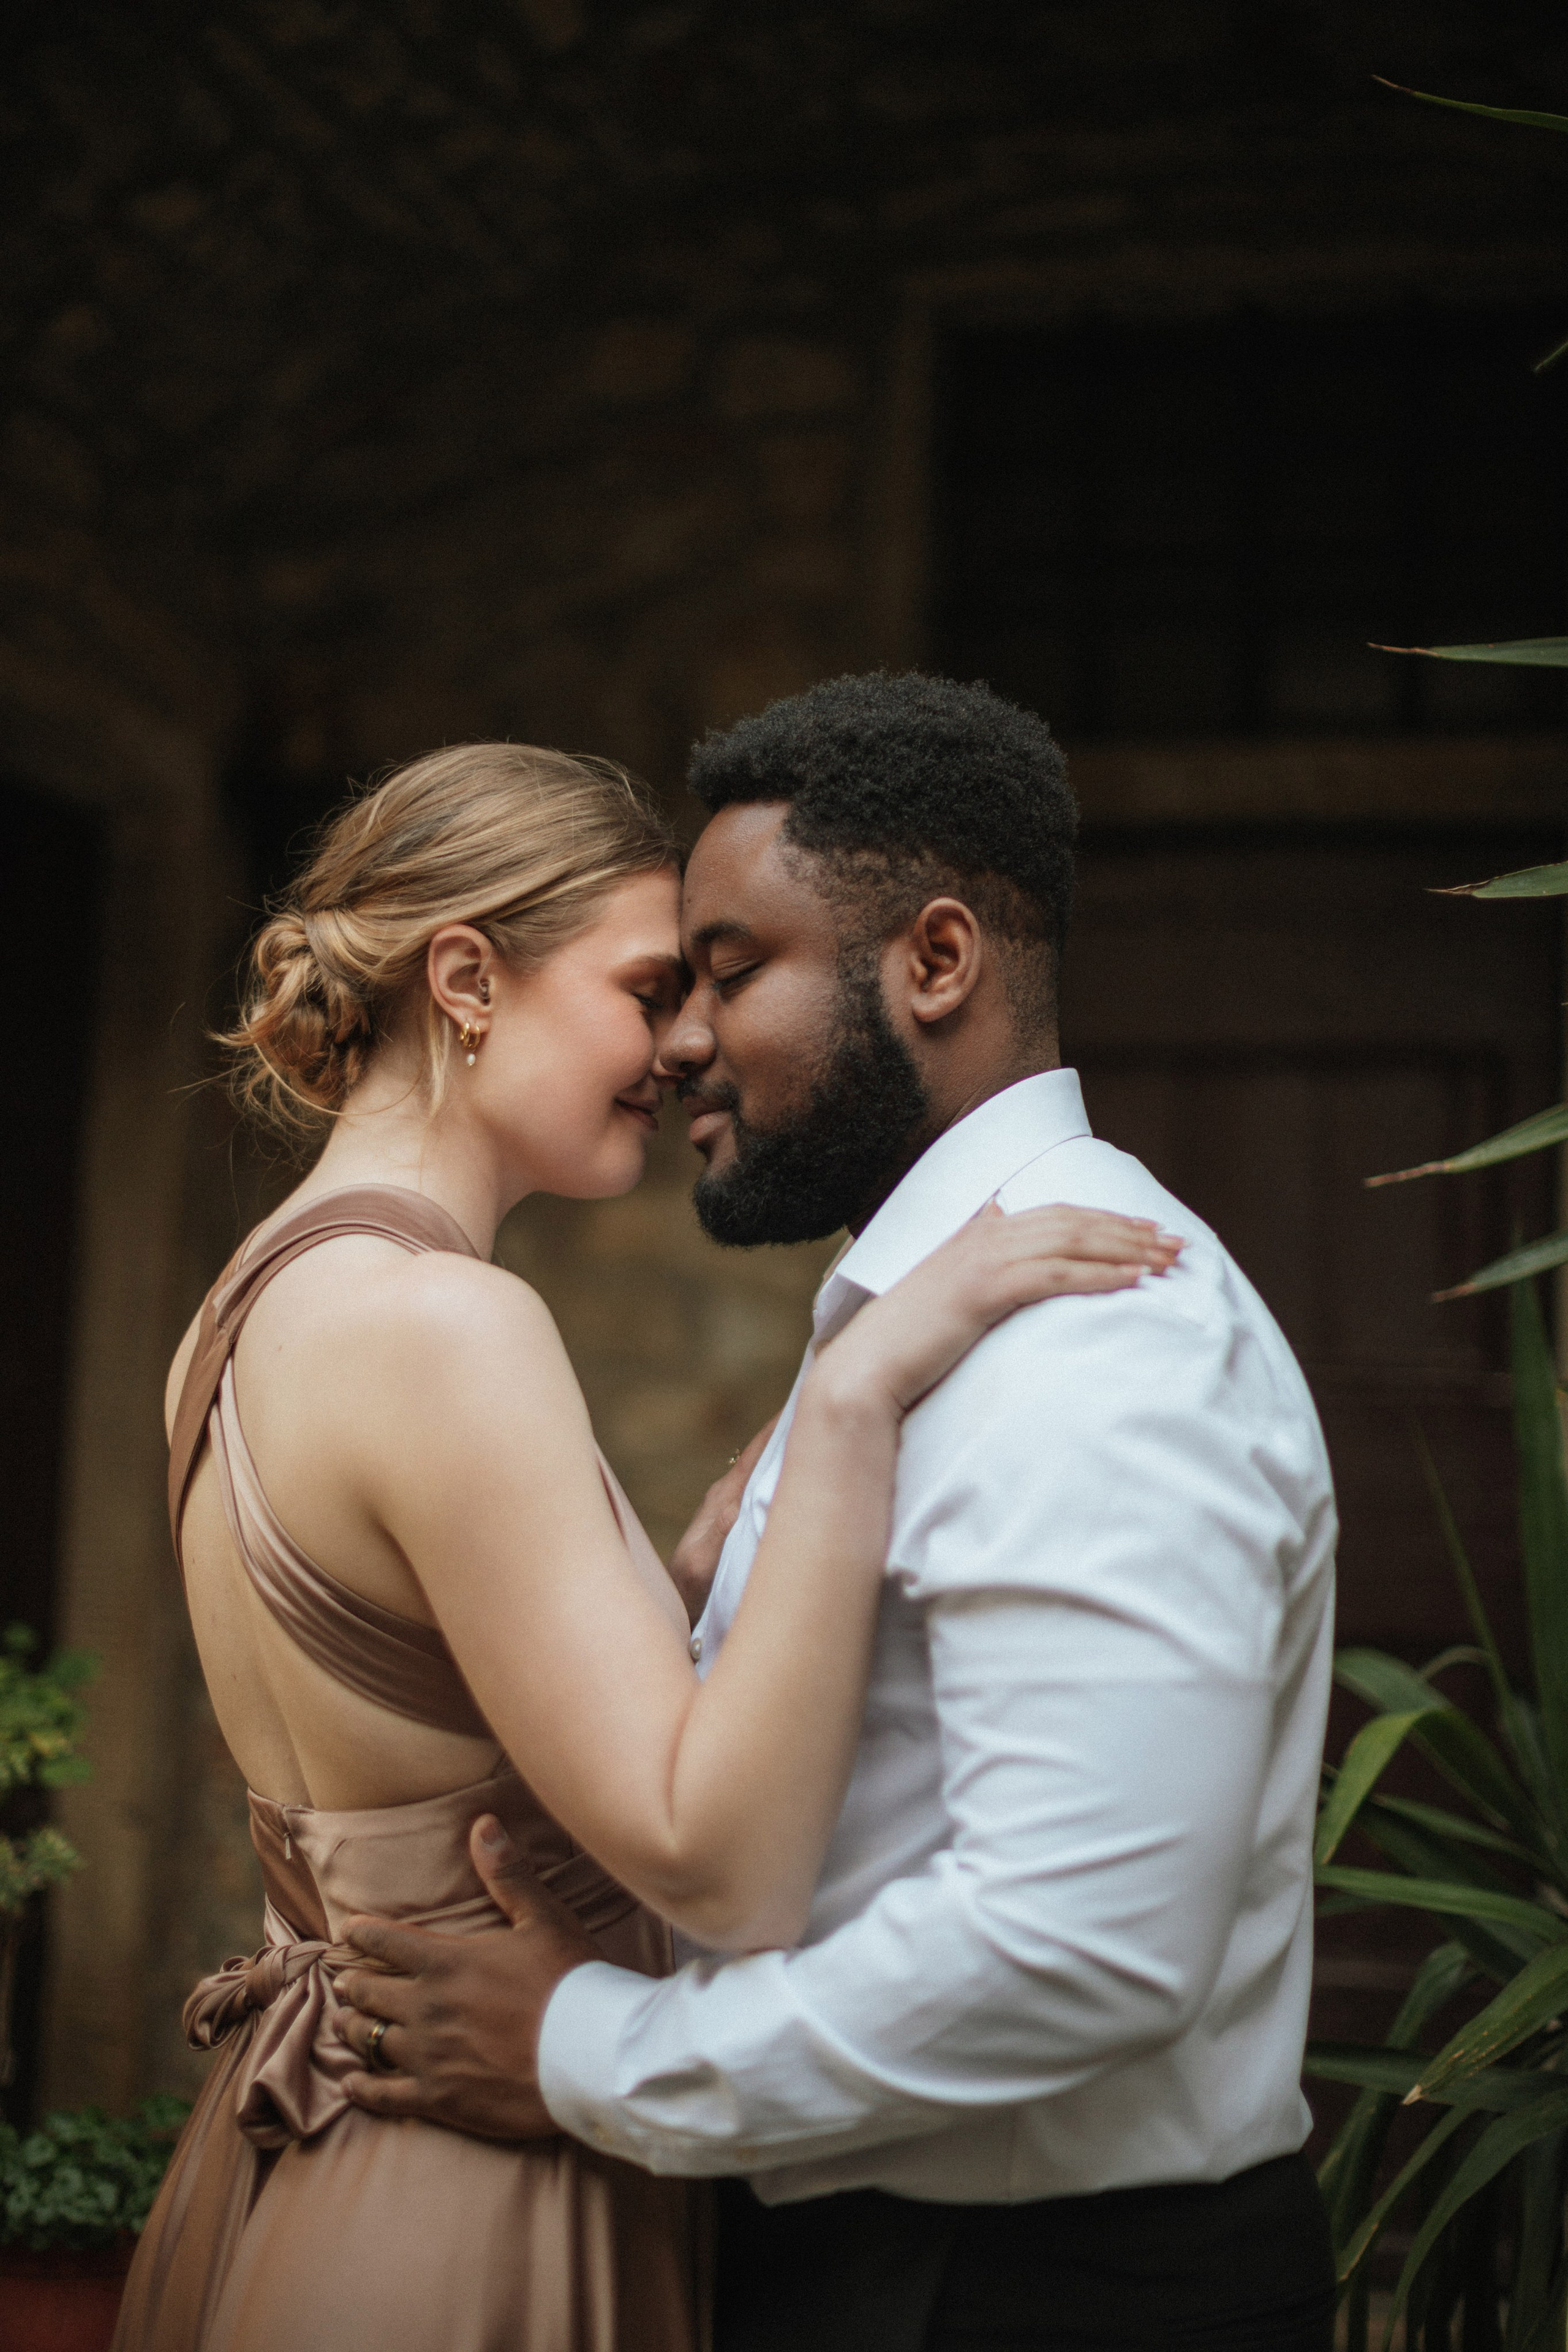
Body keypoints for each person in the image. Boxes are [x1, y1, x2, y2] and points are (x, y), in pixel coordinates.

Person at [114, 736, 1175, 2352]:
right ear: (467, 978)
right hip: (460, 2196)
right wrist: (857, 1397)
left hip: (297, 2162)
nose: (689, 1046)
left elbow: (408, 1735)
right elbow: (724, 1866)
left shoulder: (246, 1305)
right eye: (644, 989)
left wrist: (659, 1597)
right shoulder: (447, 1324)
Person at [336, 674, 1341, 2352]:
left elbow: (1077, 1944)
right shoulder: (924, 1313)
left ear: (933, 963)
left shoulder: (1093, 1332)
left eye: (732, 973)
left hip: (1043, 2299)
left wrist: (588, 2056)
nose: (676, 1038)